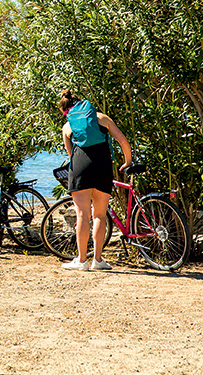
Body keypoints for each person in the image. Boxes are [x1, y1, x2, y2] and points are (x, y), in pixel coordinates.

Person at [58, 89, 132, 271]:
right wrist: (128, 161)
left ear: (66, 110)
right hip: (102, 167)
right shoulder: (102, 118)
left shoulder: (67, 126)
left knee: (82, 215)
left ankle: (82, 260)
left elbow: (71, 154)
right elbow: (123, 141)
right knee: (99, 215)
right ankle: (98, 260)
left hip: (80, 168)